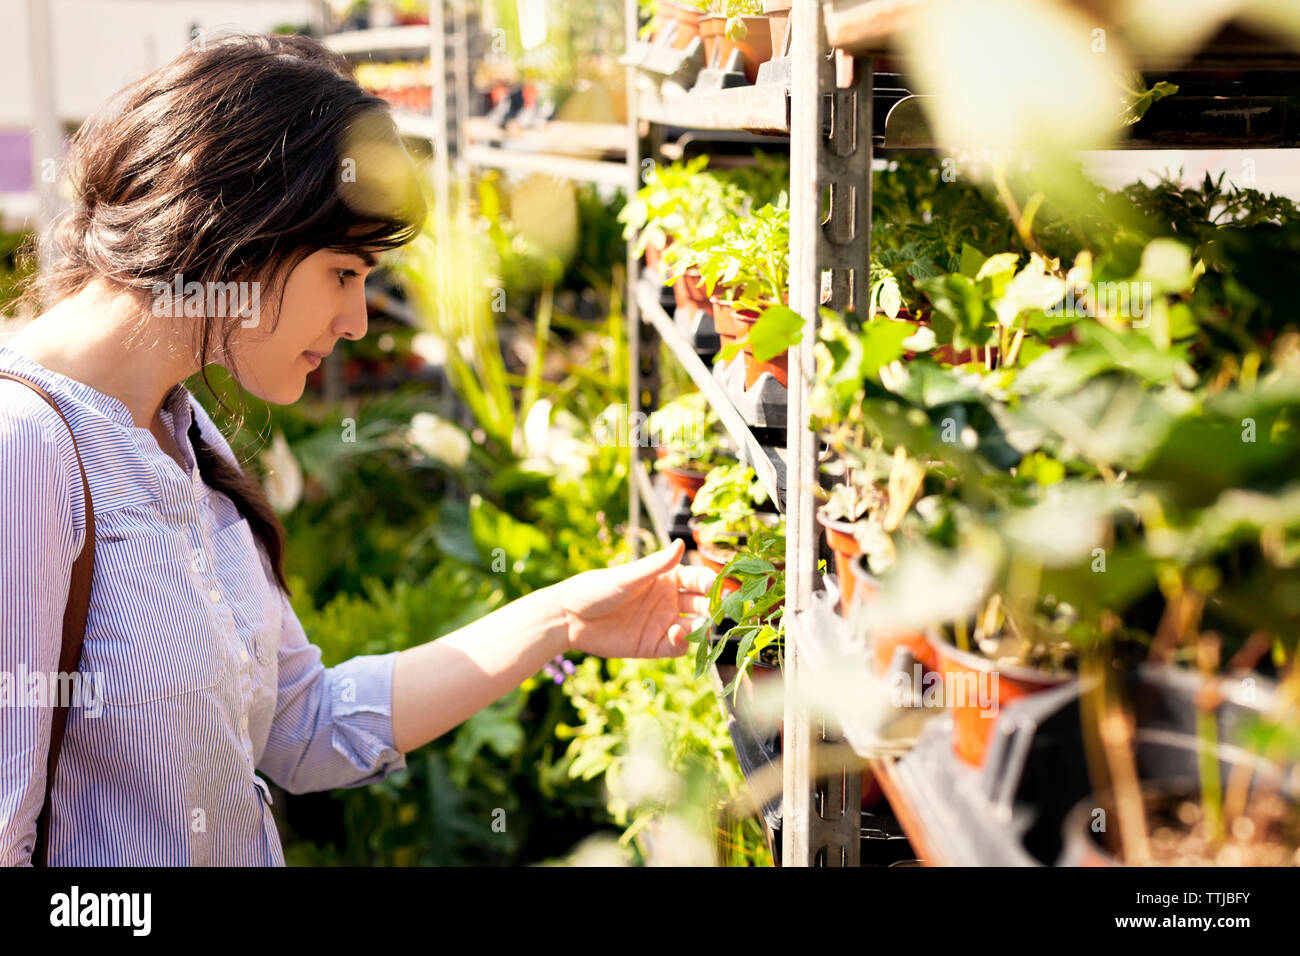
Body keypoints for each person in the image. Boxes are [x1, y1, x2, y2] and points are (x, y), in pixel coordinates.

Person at [0, 32, 714, 866]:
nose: (359, 323)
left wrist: (560, 618)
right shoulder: (26, 451)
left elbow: (308, 726)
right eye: (346, 272)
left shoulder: (174, 425)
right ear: (238, 229)